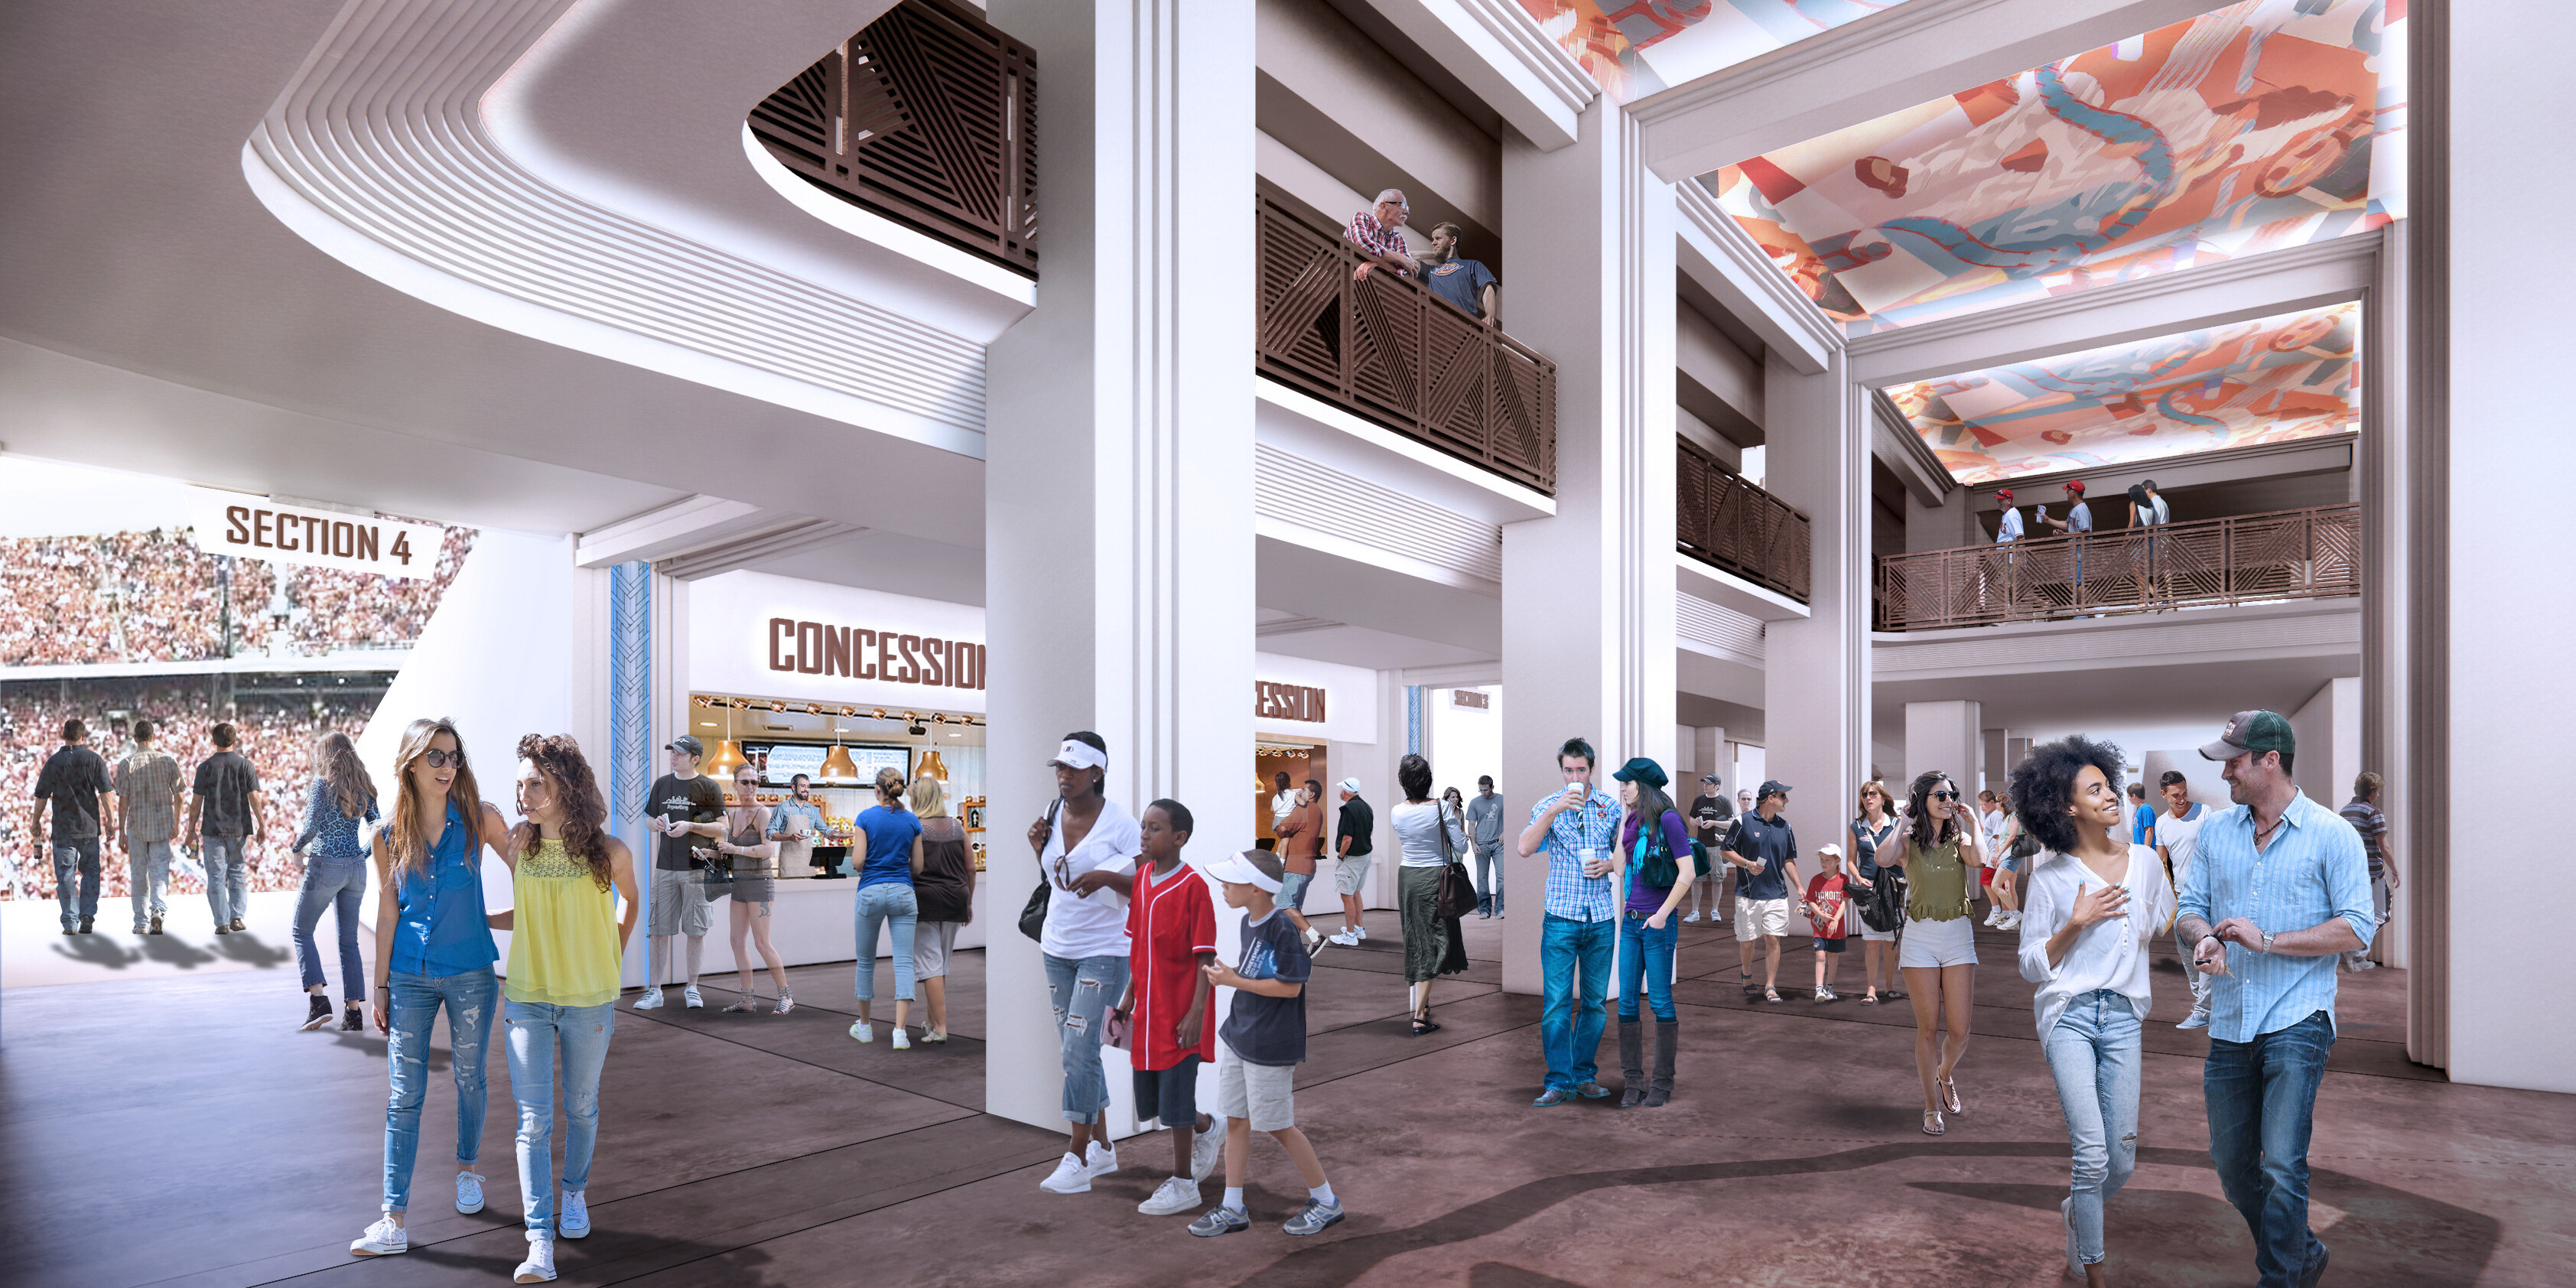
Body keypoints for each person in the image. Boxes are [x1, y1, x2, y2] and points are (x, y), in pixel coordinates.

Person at [2176, 711, 2373, 1288]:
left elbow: (2358, 928)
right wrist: (2206, 938)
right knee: (2234, 1168)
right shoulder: (2216, 831)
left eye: (2234, 762)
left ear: (2270, 761)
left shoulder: (2331, 833)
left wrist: (2270, 941)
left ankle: (2282, 1278)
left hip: (2299, 1016)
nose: (2225, 773)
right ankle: (2303, 1252)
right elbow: (2189, 909)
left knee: (2284, 1165)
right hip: (2231, 1020)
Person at [2013, 735, 2175, 1287]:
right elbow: (2032, 965)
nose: (2111, 797)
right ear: (2066, 807)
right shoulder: (2052, 878)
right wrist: (2076, 923)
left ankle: (2077, 1212)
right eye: (2096, 790)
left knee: (2121, 1163)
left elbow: (2161, 920)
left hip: (2125, 1019)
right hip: (2069, 1019)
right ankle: (2095, 1273)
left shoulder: (2147, 863)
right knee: (2091, 1156)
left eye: (2108, 786)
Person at [349, 717, 512, 1260]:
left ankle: (468, 1169)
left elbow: (533, 872)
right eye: (436, 757)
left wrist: (501, 919)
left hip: (470, 973)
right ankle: (392, 1217)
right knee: (404, 1095)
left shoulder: (482, 820)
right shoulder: (386, 836)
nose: (448, 766)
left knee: (470, 1078)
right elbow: (388, 910)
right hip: (409, 976)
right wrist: (379, 986)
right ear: (411, 764)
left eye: (453, 756)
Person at [487, 734, 639, 1284]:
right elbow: (529, 909)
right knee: (533, 1122)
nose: (524, 793)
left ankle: (573, 1194)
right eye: (521, 784)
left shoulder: (610, 852)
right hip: (526, 997)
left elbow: (631, 902)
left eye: (535, 783)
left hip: (589, 1001)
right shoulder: (518, 846)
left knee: (581, 1108)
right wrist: (486, 920)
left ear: (565, 787)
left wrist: (610, 957)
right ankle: (538, 1241)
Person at [1187, 847, 1344, 1238]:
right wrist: (1234, 972)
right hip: (1242, 1035)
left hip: (1270, 1045)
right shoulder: (1250, 922)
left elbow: (1290, 987)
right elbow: (1261, 973)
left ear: (1256, 889)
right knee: (1237, 1122)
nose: (1223, 886)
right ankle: (1232, 1206)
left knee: (1278, 1126)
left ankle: (1326, 1202)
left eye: (1231, 881)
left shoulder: (1282, 927)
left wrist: (1234, 980)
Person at [1031, 733, 1140, 1195]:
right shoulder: (1053, 814)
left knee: (1079, 1050)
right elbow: (1057, 878)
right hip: (1056, 945)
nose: (1064, 775)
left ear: (1097, 772)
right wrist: (1037, 848)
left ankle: (1076, 1155)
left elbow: (1148, 885)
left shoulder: (1120, 822)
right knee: (1077, 1052)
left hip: (1105, 949)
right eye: (1060, 766)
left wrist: (1108, 877)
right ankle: (1103, 1149)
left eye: (1074, 768)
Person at [1108, 798, 1223, 1217]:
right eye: (1143, 826)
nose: (1144, 834)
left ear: (1179, 838)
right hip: (1147, 1013)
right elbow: (1138, 947)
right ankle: (1209, 1126)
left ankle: (1183, 1183)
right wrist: (1127, 999)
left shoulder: (1194, 888)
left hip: (1180, 1013)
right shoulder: (1141, 880)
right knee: (1156, 1101)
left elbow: (1205, 959)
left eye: (1154, 828)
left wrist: (1197, 1013)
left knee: (1176, 1096)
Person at [1515, 737, 1620, 1107]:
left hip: (1602, 919)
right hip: (1561, 917)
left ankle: (1584, 1076)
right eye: (1568, 770)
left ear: (1592, 769)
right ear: (1562, 771)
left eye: (1580, 770)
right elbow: (1525, 848)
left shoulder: (1611, 806)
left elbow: (1624, 858)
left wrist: (1609, 865)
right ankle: (1558, 1081)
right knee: (1556, 1005)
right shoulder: (1547, 806)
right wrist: (1554, 810)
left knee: (1594, 1005)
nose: (1574, 776)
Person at [1897, 769, 1992, 1136]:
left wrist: (1976, 822)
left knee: (1960, 1031)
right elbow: (1886, 858)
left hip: (1957, 938)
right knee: (1927, 1029)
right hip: (1919, 938)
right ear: (1923, 801)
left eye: (1951, 794)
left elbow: (1980, 860)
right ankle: (1929, 1106)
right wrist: (1902, 821)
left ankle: (1945, 1074)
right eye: (1940, 795)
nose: (1948, 800)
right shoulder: (1907, 841)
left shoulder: (1961, 838)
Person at [1612, 757, 1691, 1107]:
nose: (1622, 789)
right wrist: (1622, 830)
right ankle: (1633, 1082)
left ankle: (1661, 1083)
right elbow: (1618, 868)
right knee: (1627, 1002)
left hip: (1657, 924)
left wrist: (1661, 915)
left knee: (1659, 1001)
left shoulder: (1669, 821)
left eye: (1626, 784)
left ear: (1642, 786)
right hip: (1630, 923)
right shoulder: (1630, 820)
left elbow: (1686, 873)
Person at [292, 731, 379, 1032]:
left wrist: (295, 849)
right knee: (349, 942)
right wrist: (361, 855)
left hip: (326, 865)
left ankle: (319, 1002)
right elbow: (381, 829)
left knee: (301, 930)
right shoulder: (363, 787)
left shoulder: (321, 784)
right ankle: (353, 1013)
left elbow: (311, 827)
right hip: (356, 870)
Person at [637, 735, 724, 1010]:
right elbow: (648, 820)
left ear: (695, 758)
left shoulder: (709, 787)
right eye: (672, 752)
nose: (673, 757)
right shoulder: (662, 784)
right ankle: (655, 991)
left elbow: (723, 827)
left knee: (696, 931)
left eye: (679, 754)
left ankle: (693, 987)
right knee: (657, 931)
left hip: (697, 869)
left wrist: (691, 826)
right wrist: (658, 824)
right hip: (664, 868)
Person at [1390, 755, 1470, 1035]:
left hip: (1408, 878)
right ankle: (1419, 1018)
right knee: (1435, 942)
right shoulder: (1443, 809)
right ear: (1428, 781)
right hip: (1435, 879)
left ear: (1403, 782)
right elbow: (1462, 846)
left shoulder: (1396, 811)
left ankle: (1424, 1007)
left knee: (1416, 938)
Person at [852, 766, 923, 1047]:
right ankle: (900, 1032)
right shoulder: (912, 821)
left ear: (877, 790)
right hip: (904, 893)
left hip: (869, 891)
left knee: (866, 961)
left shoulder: (865, 818)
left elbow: (857, 862)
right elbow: (918, 866)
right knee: (904, 962)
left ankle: (865, 1027)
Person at [712, 764, 788, 1015]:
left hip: (760, 884)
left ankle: (786, 996)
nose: (750, 787)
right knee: (736, 941)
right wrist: (710, 853)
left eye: (754, 782)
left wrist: (737, 850)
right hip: (740, 885)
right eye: (745, 782)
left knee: (762, 943)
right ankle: (747, 999)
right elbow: (728, 852)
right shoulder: (733, 816)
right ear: (734, 785)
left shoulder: (763, 813)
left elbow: (769, 850)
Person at [31, 717, 115, 936]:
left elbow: (41, 796)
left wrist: (35, 821)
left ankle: (70, 922)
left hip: (64, 828)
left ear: (63, 736)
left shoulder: (53, 762)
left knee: (66, 875)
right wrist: (111, 820)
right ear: (83, 736)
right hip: (89, 828)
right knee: (91, 872)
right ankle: (87, 916)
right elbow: (106, 793)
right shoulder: (94, 759)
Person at [1721, 780, 1802, 1004]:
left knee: (1773, 939)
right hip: (1748, 894)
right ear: (1770, 798)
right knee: (1748, 941)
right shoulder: (1742, 822)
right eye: (1783, 796)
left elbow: (1788, 860)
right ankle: (1746, 972)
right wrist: (1747, 863)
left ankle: (1770, 985)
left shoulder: (1784, 827)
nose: (1786, 800)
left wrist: (1800, 887)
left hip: (1776, 894)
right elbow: (1725, 851)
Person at [909, 776, 974, 1041]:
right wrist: (968, 902)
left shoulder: (913, 828)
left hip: (924, 902)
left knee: (929, 965)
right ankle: (930, 1020)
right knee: (939, 964)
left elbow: (907, 867)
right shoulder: (958, 828)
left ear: (918, 798)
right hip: (955, 899)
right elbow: (970, 868)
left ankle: (940, 1028)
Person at [186, 720, 264, 935]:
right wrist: (261, 824)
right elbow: (254, 797)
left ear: (214, 741)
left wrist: (191, 829)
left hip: (212, 829)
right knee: (238, 872)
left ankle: (221, 922)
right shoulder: (245, 765)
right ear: (234, 740)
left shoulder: (205, 767)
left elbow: (196, 802)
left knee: (216, 876)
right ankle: (237, 918)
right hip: (239, 829)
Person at [2155, 771, 2215, 1028]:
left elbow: (2218, 849)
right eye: (2175, 795)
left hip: (2208, 895)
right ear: (2164, 795)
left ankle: (2203, 1010)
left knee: (2204, 949)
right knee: (2185, 952)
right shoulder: (2161, 824)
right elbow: (2161, 862)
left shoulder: (2205, 813)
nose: (2182, 799)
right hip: (2181, 895)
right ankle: (2203, 1003)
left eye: (2185, 793)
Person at [114, 717, 182, 936]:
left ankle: (140, 923)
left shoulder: (126, 763)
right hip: (162, 825)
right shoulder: (168, 761)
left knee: (138, 875)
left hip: (136, 826)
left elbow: (123, 800)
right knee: (160, 872)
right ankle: (158, 912)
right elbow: (180, 796)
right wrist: (177, 822)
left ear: (135, 739)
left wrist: (121, 831)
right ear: (154, 737)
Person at [1848, 779, 1904, 1004]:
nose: (1868, 798)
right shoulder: (1856, 827)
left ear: (1883, 798)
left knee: (1891, 940)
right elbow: (1852, 861)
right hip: (1868, 890)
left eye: (1872, 794)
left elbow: (1906, 854)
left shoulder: (1897, 824)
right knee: (1871, 941)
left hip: (1893, 887)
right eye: (1864, 795)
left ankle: (1889, 987)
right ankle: (1871, 989)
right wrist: (1858, 877)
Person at [2339, 772, 2401, 972]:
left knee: (2357, 914)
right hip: (2373, 873)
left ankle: (2354, 952)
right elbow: (2385, 847)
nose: (2379, 795)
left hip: (2350, 872)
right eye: (2379, 791)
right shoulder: (2374, 813)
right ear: (2372, 792)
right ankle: (2356, 952)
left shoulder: (2345, 811)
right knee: (2381, 915)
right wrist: (2395, 871)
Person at [1274, 778, 1325, 952]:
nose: (1299, 792)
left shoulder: (1303, 809)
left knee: (1284, 906)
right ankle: (1295, 950)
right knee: (1294, 910)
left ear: (1311, 794)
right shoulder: (1317, 811)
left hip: (1295, 867)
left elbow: (1281, 829)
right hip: (1308, 868)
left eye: (1303, 790)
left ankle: (1315, 937)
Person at [1327, 779, 1374, 947]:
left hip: (1351, 858)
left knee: (1347, 895)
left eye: (1341, 789)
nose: (1340, 791)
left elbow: (1347, 838)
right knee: (1355, 892)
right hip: (1365, 856)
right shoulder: (1366, 806)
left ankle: (1350, 935)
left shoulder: (1348, 809)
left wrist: (1340, 856)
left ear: (1345, 791)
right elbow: (1370, 831)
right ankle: (1358, 928)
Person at [1420, 222, 1498, 321]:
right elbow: (1408, 257)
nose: (1433, 242)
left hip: (1466, 326)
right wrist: (1434, 254)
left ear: (1453, 240)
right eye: (1433, 239)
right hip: (1437, 325)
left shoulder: (1472, 265)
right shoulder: (1431, 271)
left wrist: (1490, 315)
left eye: (1438, 238)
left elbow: (1489, 288)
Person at [1803, 844, 1851, 1003]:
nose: (1823, 863)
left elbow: (1845, 901)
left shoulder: (1844, 879)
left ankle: (1829, 987)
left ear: (1837, 861)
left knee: (1833, 957)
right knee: (1820, 956)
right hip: (1819, 927)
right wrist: (1821, 915)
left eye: (1828, 860)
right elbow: (1811, 902)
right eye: (1822, 859)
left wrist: (1836, 919)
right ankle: (1818, 989)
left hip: (1836, 928)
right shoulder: (1816, 880)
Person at [1683, 773, 1729, 923]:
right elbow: (1690, 820)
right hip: (1700, 846)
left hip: (1717, 846)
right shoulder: (1699, 800)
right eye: (1705, 783)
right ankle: (1695, 911)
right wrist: (1695, 821)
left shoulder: (1724, 801)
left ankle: (1715, 910)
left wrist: (1714, 823)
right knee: (1697, 879)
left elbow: (1732, 822)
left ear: (1717, 786)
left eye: (1709, 784)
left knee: (1717, 879)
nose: (1705, 785)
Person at [1345, 188, 1417, 281]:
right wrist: (1399, 258)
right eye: (1402, 205)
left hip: (1367, 291)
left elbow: (1409, 272)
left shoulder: (1398, 238)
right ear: (1383, 206)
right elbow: (1363, 243)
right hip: (1338, 280)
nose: (1406, 212)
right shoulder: (1362, 218)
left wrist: (1377, 263)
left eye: (1407, 208)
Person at [767, 772, 827, 882]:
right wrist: (789, 837)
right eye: (802, 786)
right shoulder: (782, 808)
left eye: (808, 786)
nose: (806, 789)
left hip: (807, 864)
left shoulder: (812, 810)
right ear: (793, 787)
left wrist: (837, 834)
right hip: (789, 866)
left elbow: (825, 829)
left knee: (808, 898)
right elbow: (770, 833)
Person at [1464, 774, 1507, 919]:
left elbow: (1513, 816)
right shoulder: (1475, 803)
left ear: (1492, 787)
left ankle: (1501, 908)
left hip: (1499, 844)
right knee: (1482, 878)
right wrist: (1473, 843)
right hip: (1481, 844)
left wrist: (1505, 832)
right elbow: (1471, 824)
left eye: (1486, 790)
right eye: (1480, 790)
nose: (1483, 793)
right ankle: (1484, 910)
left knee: (1502, 877)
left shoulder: (1502, 799)